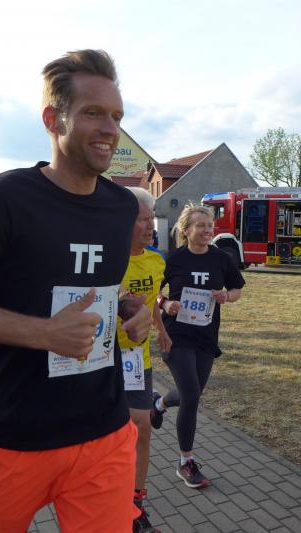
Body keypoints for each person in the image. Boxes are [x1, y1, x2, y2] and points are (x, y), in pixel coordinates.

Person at [0, 49, 155, 533]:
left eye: (117, 116)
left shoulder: (121, 208)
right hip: (16, 433)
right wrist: (45, 333)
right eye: (93, 113)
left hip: (104, 428)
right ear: (54, 120)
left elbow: (102, 288)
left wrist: (130, 308)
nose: (110, 129)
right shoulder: (4, 199)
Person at [152, 204, 245, 488]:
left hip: (206, 336)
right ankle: (186, 462)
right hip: (176, 335)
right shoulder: (173, 259)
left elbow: (237, 289)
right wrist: (165, 303)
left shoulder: (222, 259)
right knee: (191, 396)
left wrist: (226, 297)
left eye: (209, 225)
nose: (207, 230)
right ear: (186, 230)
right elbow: (153, 291)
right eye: (201, 226)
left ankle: (158, 404)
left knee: (191, 393)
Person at [118, 187, 170, 532]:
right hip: (102, 357)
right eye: (143, 220)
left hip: (138, 358)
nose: (151, 226)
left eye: (152, 219)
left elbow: (152, 302)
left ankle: (136, 503)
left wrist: (161, 329)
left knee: (141, 428)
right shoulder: (109, 259)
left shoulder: (157, 260)